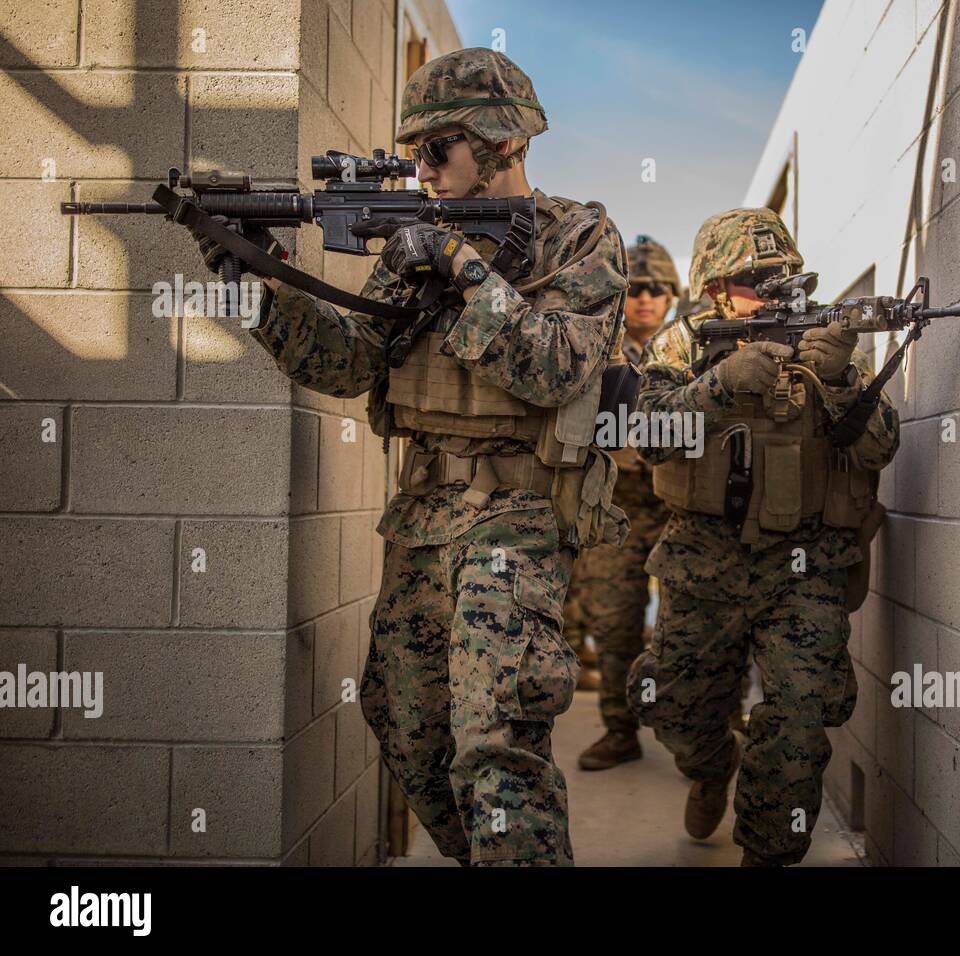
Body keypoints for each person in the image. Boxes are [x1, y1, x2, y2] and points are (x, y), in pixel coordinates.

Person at [188, 48, 628, 866]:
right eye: (414, 150)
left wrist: (462, 270)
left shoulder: (581, 235)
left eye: (438, 149)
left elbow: (558, 366)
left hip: (519, 520)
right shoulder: (413, 241)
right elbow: (352, 360)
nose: (421, 169)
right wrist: (257, 290)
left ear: (501, 143)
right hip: (422, 519)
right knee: (406, 727)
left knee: (496, 741)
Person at [627, 207, 899, 865]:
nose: (777, 291)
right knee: (672, 707)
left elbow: (881, 448)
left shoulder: (824, 344)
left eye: (786, 277)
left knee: (801, 717)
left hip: (803, 565)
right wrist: (717, 386)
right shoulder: (681, 344)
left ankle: (768, 850)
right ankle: (714, 762)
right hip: (702, 559)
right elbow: (644, 437)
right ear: (716, 287)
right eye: (757, 278)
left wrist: (837, 380)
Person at [571, 236, 680, 771]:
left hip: (681, 510)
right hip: (618, 509)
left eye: (657, 289)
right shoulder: (598, 345)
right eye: (636, 288)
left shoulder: (692, 347)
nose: (644, 299)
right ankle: (620, 730)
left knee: (693, 626)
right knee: (614, 625)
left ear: (672, 295)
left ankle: (706, 730)